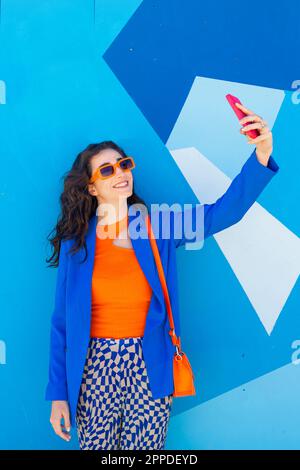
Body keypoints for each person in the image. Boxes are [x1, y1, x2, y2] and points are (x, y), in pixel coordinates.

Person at [45, 102, 279, 450]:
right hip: (94, 367)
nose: (120, 173)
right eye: (106, 171)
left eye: (123, 164)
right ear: (91, 188)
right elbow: (62, 322)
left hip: (150, 360)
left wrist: (261, 152)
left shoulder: (159, 226)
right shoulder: (76, 244)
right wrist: (58, 394)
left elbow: (223, 214)